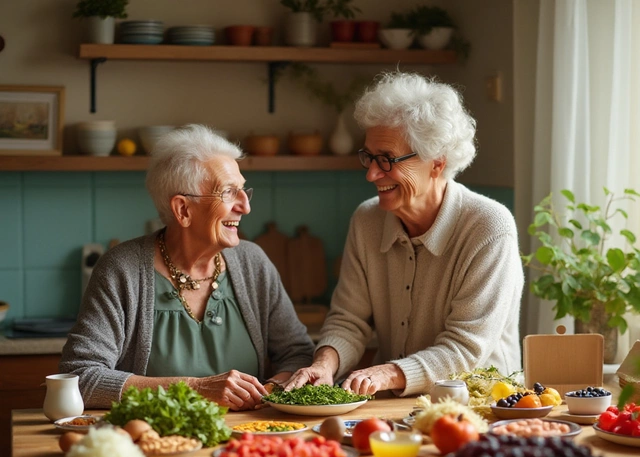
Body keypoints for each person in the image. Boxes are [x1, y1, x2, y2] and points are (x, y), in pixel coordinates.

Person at [285, 72, 523, 397]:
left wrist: (386, 374)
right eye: (369, 157)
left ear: (436, 163)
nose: (371, 174)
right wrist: (325, 365)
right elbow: (349, 319)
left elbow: (465, 349)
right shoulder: (367, 220)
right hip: (395, 407)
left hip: (481, 407)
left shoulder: (489, 228)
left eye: (386, 160)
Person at [60, 124, 315, 411]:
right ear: (183, 209)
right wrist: (196, 389)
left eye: (244, 191)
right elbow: (80, 377)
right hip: (153, 440)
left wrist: (268, 391)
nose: (245, 206)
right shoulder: (122, 270)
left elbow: (300, 355)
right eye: (229, 193)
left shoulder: (252, 262)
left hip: (249, 439)